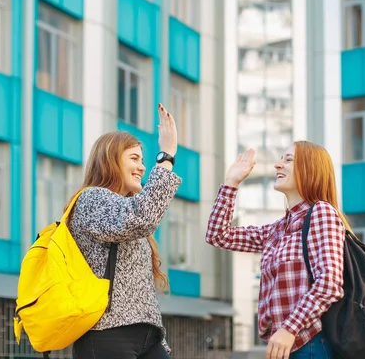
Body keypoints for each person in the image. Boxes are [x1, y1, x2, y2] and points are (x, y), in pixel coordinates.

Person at [206, 142, 348, 359]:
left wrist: (290, 328)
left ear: (310, 169)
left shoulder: (322, 212)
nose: (277, 165)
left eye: (288, 160)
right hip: (285, 346)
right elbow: (218, 235)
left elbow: (329, 283)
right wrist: (231, 183)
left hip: (311, 343)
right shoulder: (277, 230)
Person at [67, 103, 181, 359]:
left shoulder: (124, 208)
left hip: (147, 337)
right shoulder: (91, 200)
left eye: (143, 160)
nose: (142, 167)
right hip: (107, 335)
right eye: (134, 158)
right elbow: (141, 217)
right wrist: (166, 156)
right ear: (110, 161)